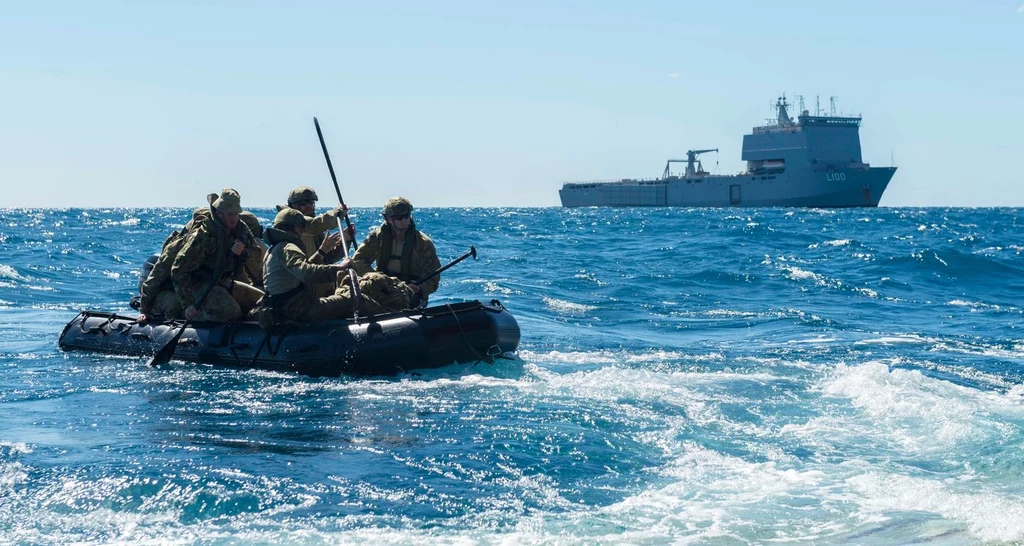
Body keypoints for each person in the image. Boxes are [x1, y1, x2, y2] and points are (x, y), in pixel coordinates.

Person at [140, 189, 263, 323]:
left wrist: (243, 253)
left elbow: (257, 255)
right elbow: (178, 270)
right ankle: (186, 315)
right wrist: (187, 305)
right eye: (229, 214)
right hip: (197, 284)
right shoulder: (203, 236)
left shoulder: (241, 229)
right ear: (218, 212)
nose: (234, 218)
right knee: (231, 311)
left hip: (221, 282)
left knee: (262, 302)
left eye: (236, 213)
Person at [262, 208, 367, 322]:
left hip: (279, 309)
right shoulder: (288, 248)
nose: (302, 230)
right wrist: (339, 268)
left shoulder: (274, 249)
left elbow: (301, 269)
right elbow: (306, 273)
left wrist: (322, 251)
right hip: (297, 310)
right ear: (296, 227)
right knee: (351, 299)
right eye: (302, 225)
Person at [351, 197, 441, 307]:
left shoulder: (423, 243)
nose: (404, 220)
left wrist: (420, 289)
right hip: (382, 288)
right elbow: (358, 260)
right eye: (399, 217)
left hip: (410, 293)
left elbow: (434, 276)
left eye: (407, 216)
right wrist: (375, 279)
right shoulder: (377, 237)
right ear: (388, 219)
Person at [277, 186, 352, 297]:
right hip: (302, 293)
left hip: (319, 288)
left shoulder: (315, 232)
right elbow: (313, 225)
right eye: (303, 202)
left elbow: (329, 258)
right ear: (292, 205)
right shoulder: (292, 226)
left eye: (311, 202)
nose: (309, 206)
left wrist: (345, 240)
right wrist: (338, 213)